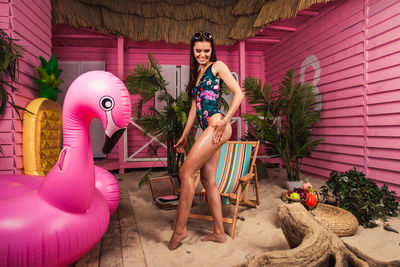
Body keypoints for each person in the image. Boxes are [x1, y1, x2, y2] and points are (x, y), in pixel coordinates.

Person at [168, 31, 244, 250]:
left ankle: (180, 230)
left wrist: (225, 120)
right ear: (193, 50)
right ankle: (220, 233)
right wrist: (184, 135)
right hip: (206, 127)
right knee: (208, 180)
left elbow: (239, 94)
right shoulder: (198, 73)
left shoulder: (217, 66)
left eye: (206, 50)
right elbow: (194, 107)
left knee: (185, 172)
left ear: (212, 50)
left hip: (217, 125)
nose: (202, 54)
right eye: (198, 50)